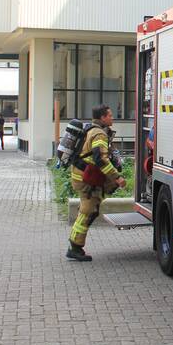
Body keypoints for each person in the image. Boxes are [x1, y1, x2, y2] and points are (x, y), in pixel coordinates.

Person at [67, 104, 125, 262]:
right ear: (103, 117)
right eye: (110, 115)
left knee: (88, 211)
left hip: (82, 176)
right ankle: (75, 247)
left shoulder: (91, 129)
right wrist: (117, 177)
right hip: (87, 180)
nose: (113, 117)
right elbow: (101, 159)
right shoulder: (99, 134)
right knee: (88, 211)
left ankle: (75, 245)